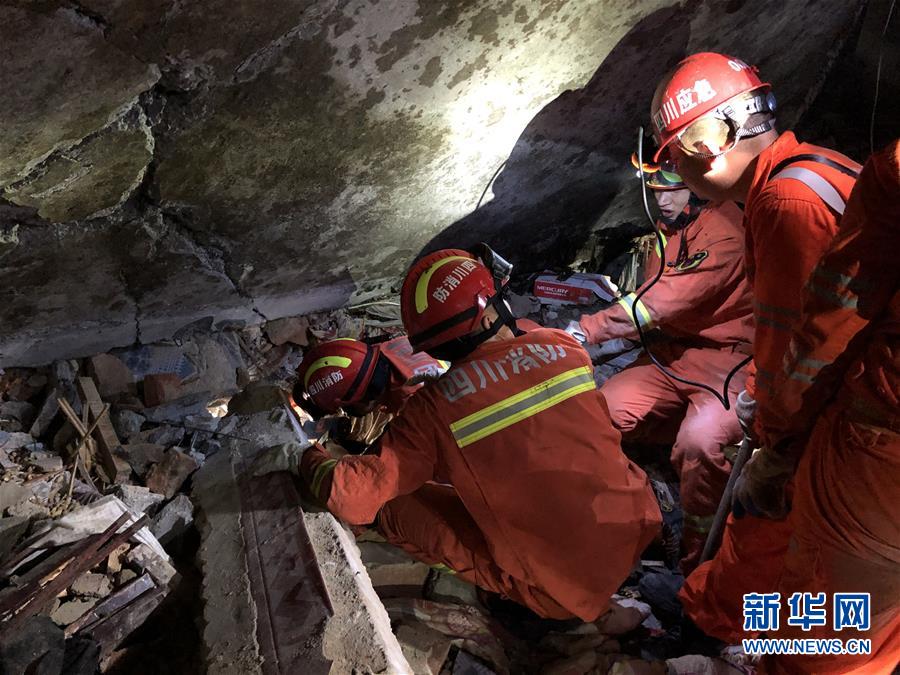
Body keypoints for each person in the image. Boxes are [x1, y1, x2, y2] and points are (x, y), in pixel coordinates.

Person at [258, 247, 661, 624]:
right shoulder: (559, 345)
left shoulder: (433, 408)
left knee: (392, 507)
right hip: (638, 522)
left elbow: (355, 498)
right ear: (488, 310)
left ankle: (566, 613)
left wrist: (305, 457)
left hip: (567, 587)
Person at [648, 51, 861, 642]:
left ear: (704, 146)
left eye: (672, 160)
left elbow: (805, 345)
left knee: (761, 521)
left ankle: (721, 627)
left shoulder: (785, 205)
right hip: (853, 397)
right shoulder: (815, 168)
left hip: (855, 415)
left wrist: (772, 437)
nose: (674, 180)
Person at [737, 139, 900, 674]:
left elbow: (833, 322)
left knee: (816, 639)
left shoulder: (791, 202)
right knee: (879, 631)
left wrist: (777, 437)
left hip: (880, 463)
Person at [568, 155, 752, 572]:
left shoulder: (724, 234)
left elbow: (658, 303)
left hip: (728, 362)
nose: (661, 200)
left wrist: (585, 332)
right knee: (602, 412)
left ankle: (699, 554)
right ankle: (632, 508)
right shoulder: (670, 232)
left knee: (700, 443)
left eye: (671, 188)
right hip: (674, 353)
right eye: (654, 189)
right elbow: (652, 310)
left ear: (699, 186)